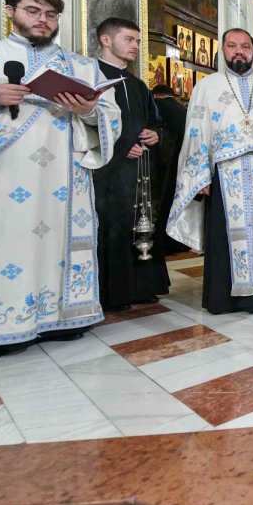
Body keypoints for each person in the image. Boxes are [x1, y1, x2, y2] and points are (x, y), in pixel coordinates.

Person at [0, 0, 122, 359]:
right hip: (1, 180)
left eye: (50, 15)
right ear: (10, 10)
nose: (43, 20)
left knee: (58, 245)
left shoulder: (82, 66)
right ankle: (2, 328)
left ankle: (63, 319)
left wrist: (87, 111)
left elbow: (110, 117)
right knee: (4, 245)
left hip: (64, 183)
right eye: (33, 11)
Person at [166, 28, 253, 314]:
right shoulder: (207, 86)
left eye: (244, 46)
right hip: (222, 174)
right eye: (232, 46)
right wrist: (199, 176)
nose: (239, 51)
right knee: (224, 235)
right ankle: (225, 297)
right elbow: (195, 132)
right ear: (223, 50)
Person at [92, 18, 170, 311]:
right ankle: (113, 294)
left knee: (141, 224)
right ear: (106, 40)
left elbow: (155, 122)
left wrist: (155, 135)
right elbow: (85, 125)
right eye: (130, 39)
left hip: (139, 174)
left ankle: (141, 287)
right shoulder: (92, 78)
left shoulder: (137, 85)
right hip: (106, 174)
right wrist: (123, 146)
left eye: (138, 41)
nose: (136, 46)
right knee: (111, 227)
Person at [152, 83, 188, 254]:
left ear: (156, 96)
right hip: (183, 162)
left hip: (165, 163)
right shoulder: (182, 109)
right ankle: (180, 240)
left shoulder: (159, 106)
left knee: (164, 202)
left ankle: (165, 241)